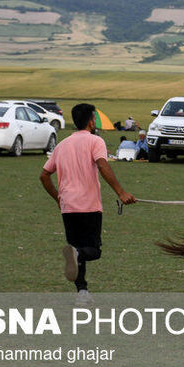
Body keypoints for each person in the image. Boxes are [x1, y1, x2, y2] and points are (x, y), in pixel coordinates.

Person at [40, 103, 137, 306]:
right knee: (93, 250)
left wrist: (58, 198)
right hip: (89, 206)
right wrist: (121, 192)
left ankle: (82, 292)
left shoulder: (62, 145)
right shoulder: (95, 141)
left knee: (76, 253)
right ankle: (77, 258)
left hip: (68, 207)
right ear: (91, 121)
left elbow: (44, 175)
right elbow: (102, 165)